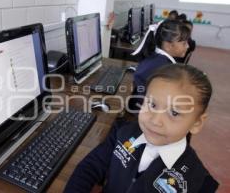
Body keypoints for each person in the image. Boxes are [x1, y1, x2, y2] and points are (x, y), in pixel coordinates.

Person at [64, 64, 219, 193]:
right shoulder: (122, 132)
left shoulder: (198, 182)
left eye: (174, 113)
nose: (155, 121)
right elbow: (90, 167)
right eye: (152, 104)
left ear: (196, 123)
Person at [129, 19, 190, 112]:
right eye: (184, 43)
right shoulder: (165, 69)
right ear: (168, 46)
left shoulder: (156, 57)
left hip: (140, 106)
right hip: (144, 113)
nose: (188, 46)